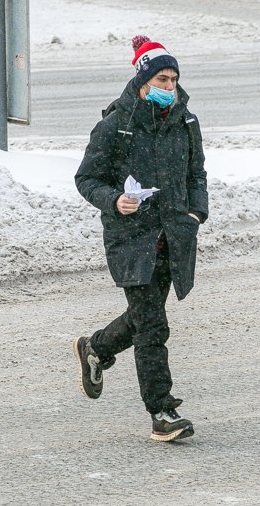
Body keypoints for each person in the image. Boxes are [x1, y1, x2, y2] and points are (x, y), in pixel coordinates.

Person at [73, 35, 209, 442]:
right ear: (143, 80)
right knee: (153, 327)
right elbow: (86, 178)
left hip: (173, 237)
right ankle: (161, 412)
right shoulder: (118, 125)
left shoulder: (186, 122)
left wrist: (195, 212)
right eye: (162, 80)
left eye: (174, 79)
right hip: (132, 239)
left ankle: (96, 347)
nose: (170, 87)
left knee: (145, 317)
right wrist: (114, 200)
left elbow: (196, 173)